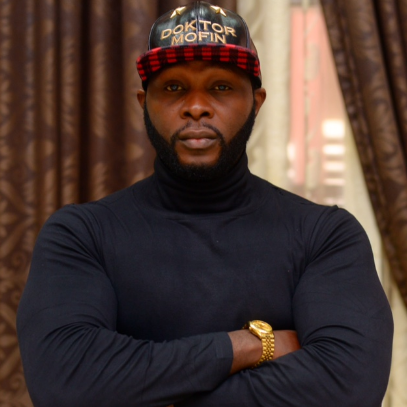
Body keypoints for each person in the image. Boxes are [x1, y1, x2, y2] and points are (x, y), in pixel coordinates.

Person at [17, 2, 393, 406]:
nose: (196, 106)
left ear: (257, 102)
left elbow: (347, 388)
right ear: (144, 103)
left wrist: (142, 389)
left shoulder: (325, 236)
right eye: (174, 88)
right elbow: (65, 384)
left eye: (221, 87)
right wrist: (252, 346)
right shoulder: (80, 235)